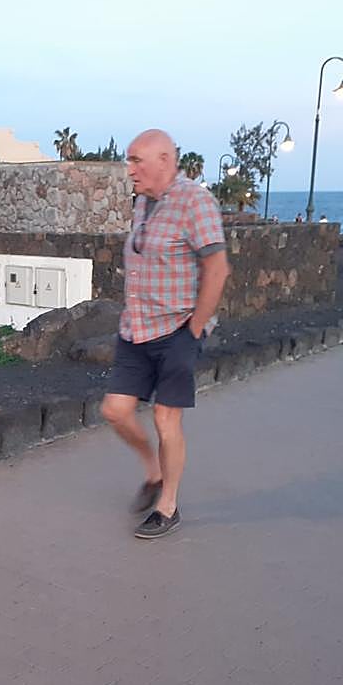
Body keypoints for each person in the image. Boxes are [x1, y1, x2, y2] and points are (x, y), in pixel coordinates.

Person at [101, 129, 230, 540]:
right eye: (130, 160)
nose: (130, 169)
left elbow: (217, 268)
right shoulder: (143, 202)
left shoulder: (195, 201)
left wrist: (193, 331)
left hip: (177, 328)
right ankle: (153, 469)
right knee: (115, 411)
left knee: (164, 418)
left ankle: (168, 505)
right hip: (136, 328)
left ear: (164, 159)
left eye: (137, 160)